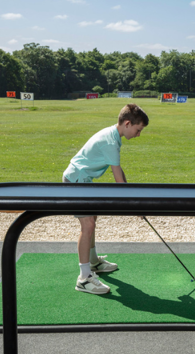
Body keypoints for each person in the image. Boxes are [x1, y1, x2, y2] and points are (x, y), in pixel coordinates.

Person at [63, 103, 149, 294]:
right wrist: (136, 206)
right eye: (138, 129)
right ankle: (84, 278)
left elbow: (120, 174)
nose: (138, 134)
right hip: (76, 180)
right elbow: (118, 182)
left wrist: (133, 198)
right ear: (127, 124)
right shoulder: (110, 142)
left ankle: (93, 262)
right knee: (88, 226)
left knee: (93, 219)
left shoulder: (113, 135)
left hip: (82, 179)